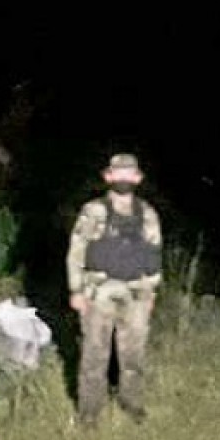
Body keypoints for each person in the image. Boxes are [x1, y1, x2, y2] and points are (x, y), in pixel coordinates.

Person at [66, 152, 163, 425]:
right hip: (98, 292)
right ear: (108, 177)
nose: (123, 178)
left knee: (134, 354)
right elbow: (76, 252)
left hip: (136, 294)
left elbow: (154, 254)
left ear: (138, 178)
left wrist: (151, 291)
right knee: (94, 355)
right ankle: (89, 411)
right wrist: (76, 290)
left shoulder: (148, 214)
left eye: (128, 173)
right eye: (117, 173)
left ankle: (131, 402)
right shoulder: (92, 211)